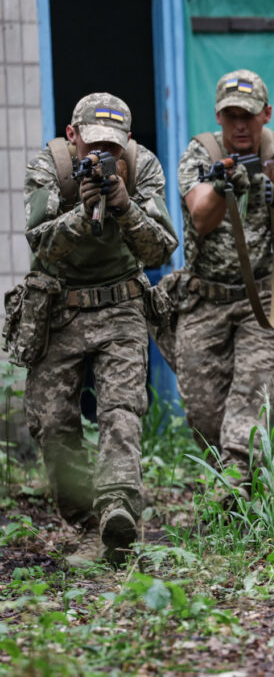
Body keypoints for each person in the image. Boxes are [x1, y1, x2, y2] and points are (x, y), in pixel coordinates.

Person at [21, 92, 177, 564]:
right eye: (92, 145)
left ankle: (117, 514)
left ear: (127, 141)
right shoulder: (49, 166)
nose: (102, 156)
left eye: (112, 146)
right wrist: (80, 215)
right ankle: (88, 522)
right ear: (73, 136)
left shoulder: (143, 165)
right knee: (51, 424)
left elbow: (161, 250)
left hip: (121, 304)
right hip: (61, 308)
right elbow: (40, 243)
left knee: (121, 411)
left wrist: (125, 206)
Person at [176, 69, 274, 497]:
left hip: (266, 296)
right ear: (218, 116)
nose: (240, 125)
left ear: (266, 114)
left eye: (249, 115)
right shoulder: (200, 153)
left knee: (250, 393)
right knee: (204, 413)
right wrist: (221, 186)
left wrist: (272, 194)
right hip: (206, 300)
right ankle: (239, 493)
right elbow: (200, 217)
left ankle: (233, 480)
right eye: (230, 115)